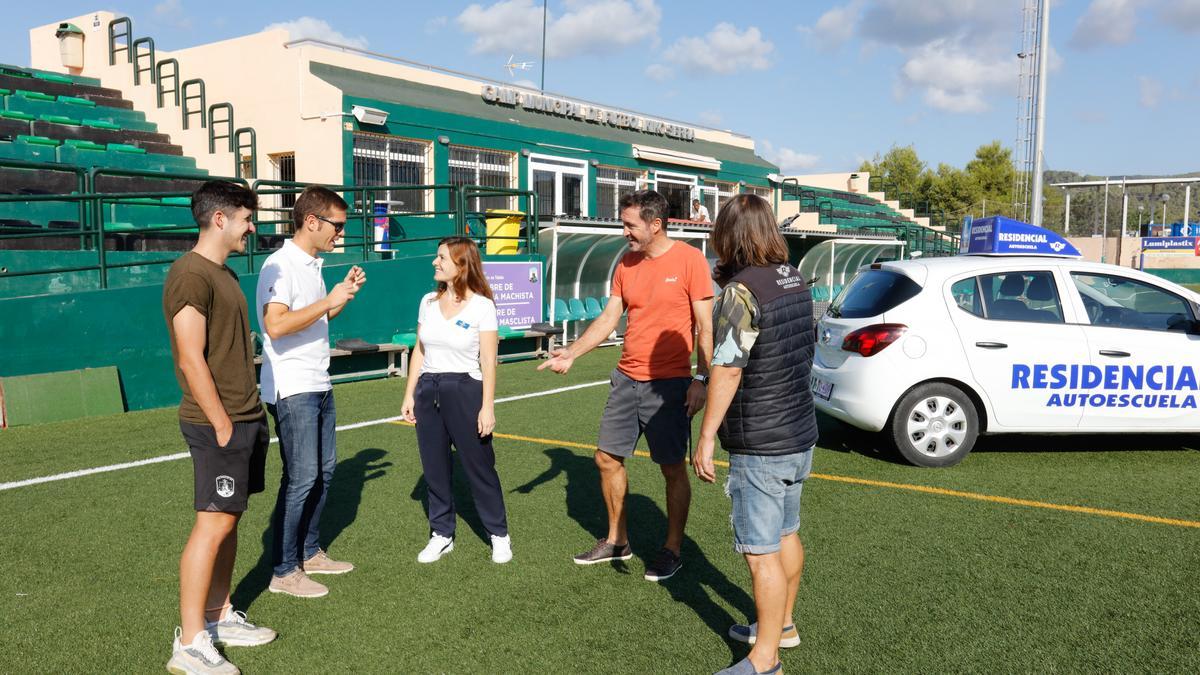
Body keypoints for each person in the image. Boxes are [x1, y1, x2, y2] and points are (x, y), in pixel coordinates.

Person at [539, 189, 713, 581]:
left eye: (630, 225)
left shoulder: (690, 260)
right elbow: (608, 318)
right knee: (605, 458)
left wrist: (701, 377)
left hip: (669, 384)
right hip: (626, 378)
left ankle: (672, 549)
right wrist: (572, 353)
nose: (624, 232)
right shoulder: (626, 263)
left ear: (655, 224)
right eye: (623, 223)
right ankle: (618, 540)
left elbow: (705, 326)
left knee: (671, 469)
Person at [692, 194, 818, 675]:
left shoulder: (741, 293)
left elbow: (726, 371)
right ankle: (782, 626)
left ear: (730, 235)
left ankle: (764, 660)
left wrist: (706, 438)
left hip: (762, 441)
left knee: (760, 551)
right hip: (798, 431)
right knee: (787, 533)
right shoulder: (794, 278)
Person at [163, 181, 277, 674]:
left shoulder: (223, 273)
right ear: (220, 219)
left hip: (244, 415)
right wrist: (222, 424)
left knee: (230, 519)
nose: (253, 227)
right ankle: (190, 643)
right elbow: (190, 358)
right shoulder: (190, 275)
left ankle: (218, 614)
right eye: (247, 218)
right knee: (212, 523)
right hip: (218, 422)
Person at [257, 186, 366, 599]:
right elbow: (278, 325)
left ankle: (310, 551)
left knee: (324, 473)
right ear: (311, 221)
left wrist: (341, 295)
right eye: (337, 226)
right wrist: (329, 301)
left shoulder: (313, 265)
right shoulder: (279, 265)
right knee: (301, 478)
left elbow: (312, 318)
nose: (340, 233)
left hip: (318, 382)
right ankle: (284, 572)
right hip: (294, 387)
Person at [401, 237, 511, 564]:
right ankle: (442, 533)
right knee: (434, 468)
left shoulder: (482, 306)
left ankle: (498, 534)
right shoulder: (427, 302)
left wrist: (487, 406)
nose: (435, 263)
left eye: (442, 259)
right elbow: (419, 350)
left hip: (466, 391)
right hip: (428, 391)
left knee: (480, 468)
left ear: (461, 265)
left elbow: (489, 360)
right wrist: (409, 393)